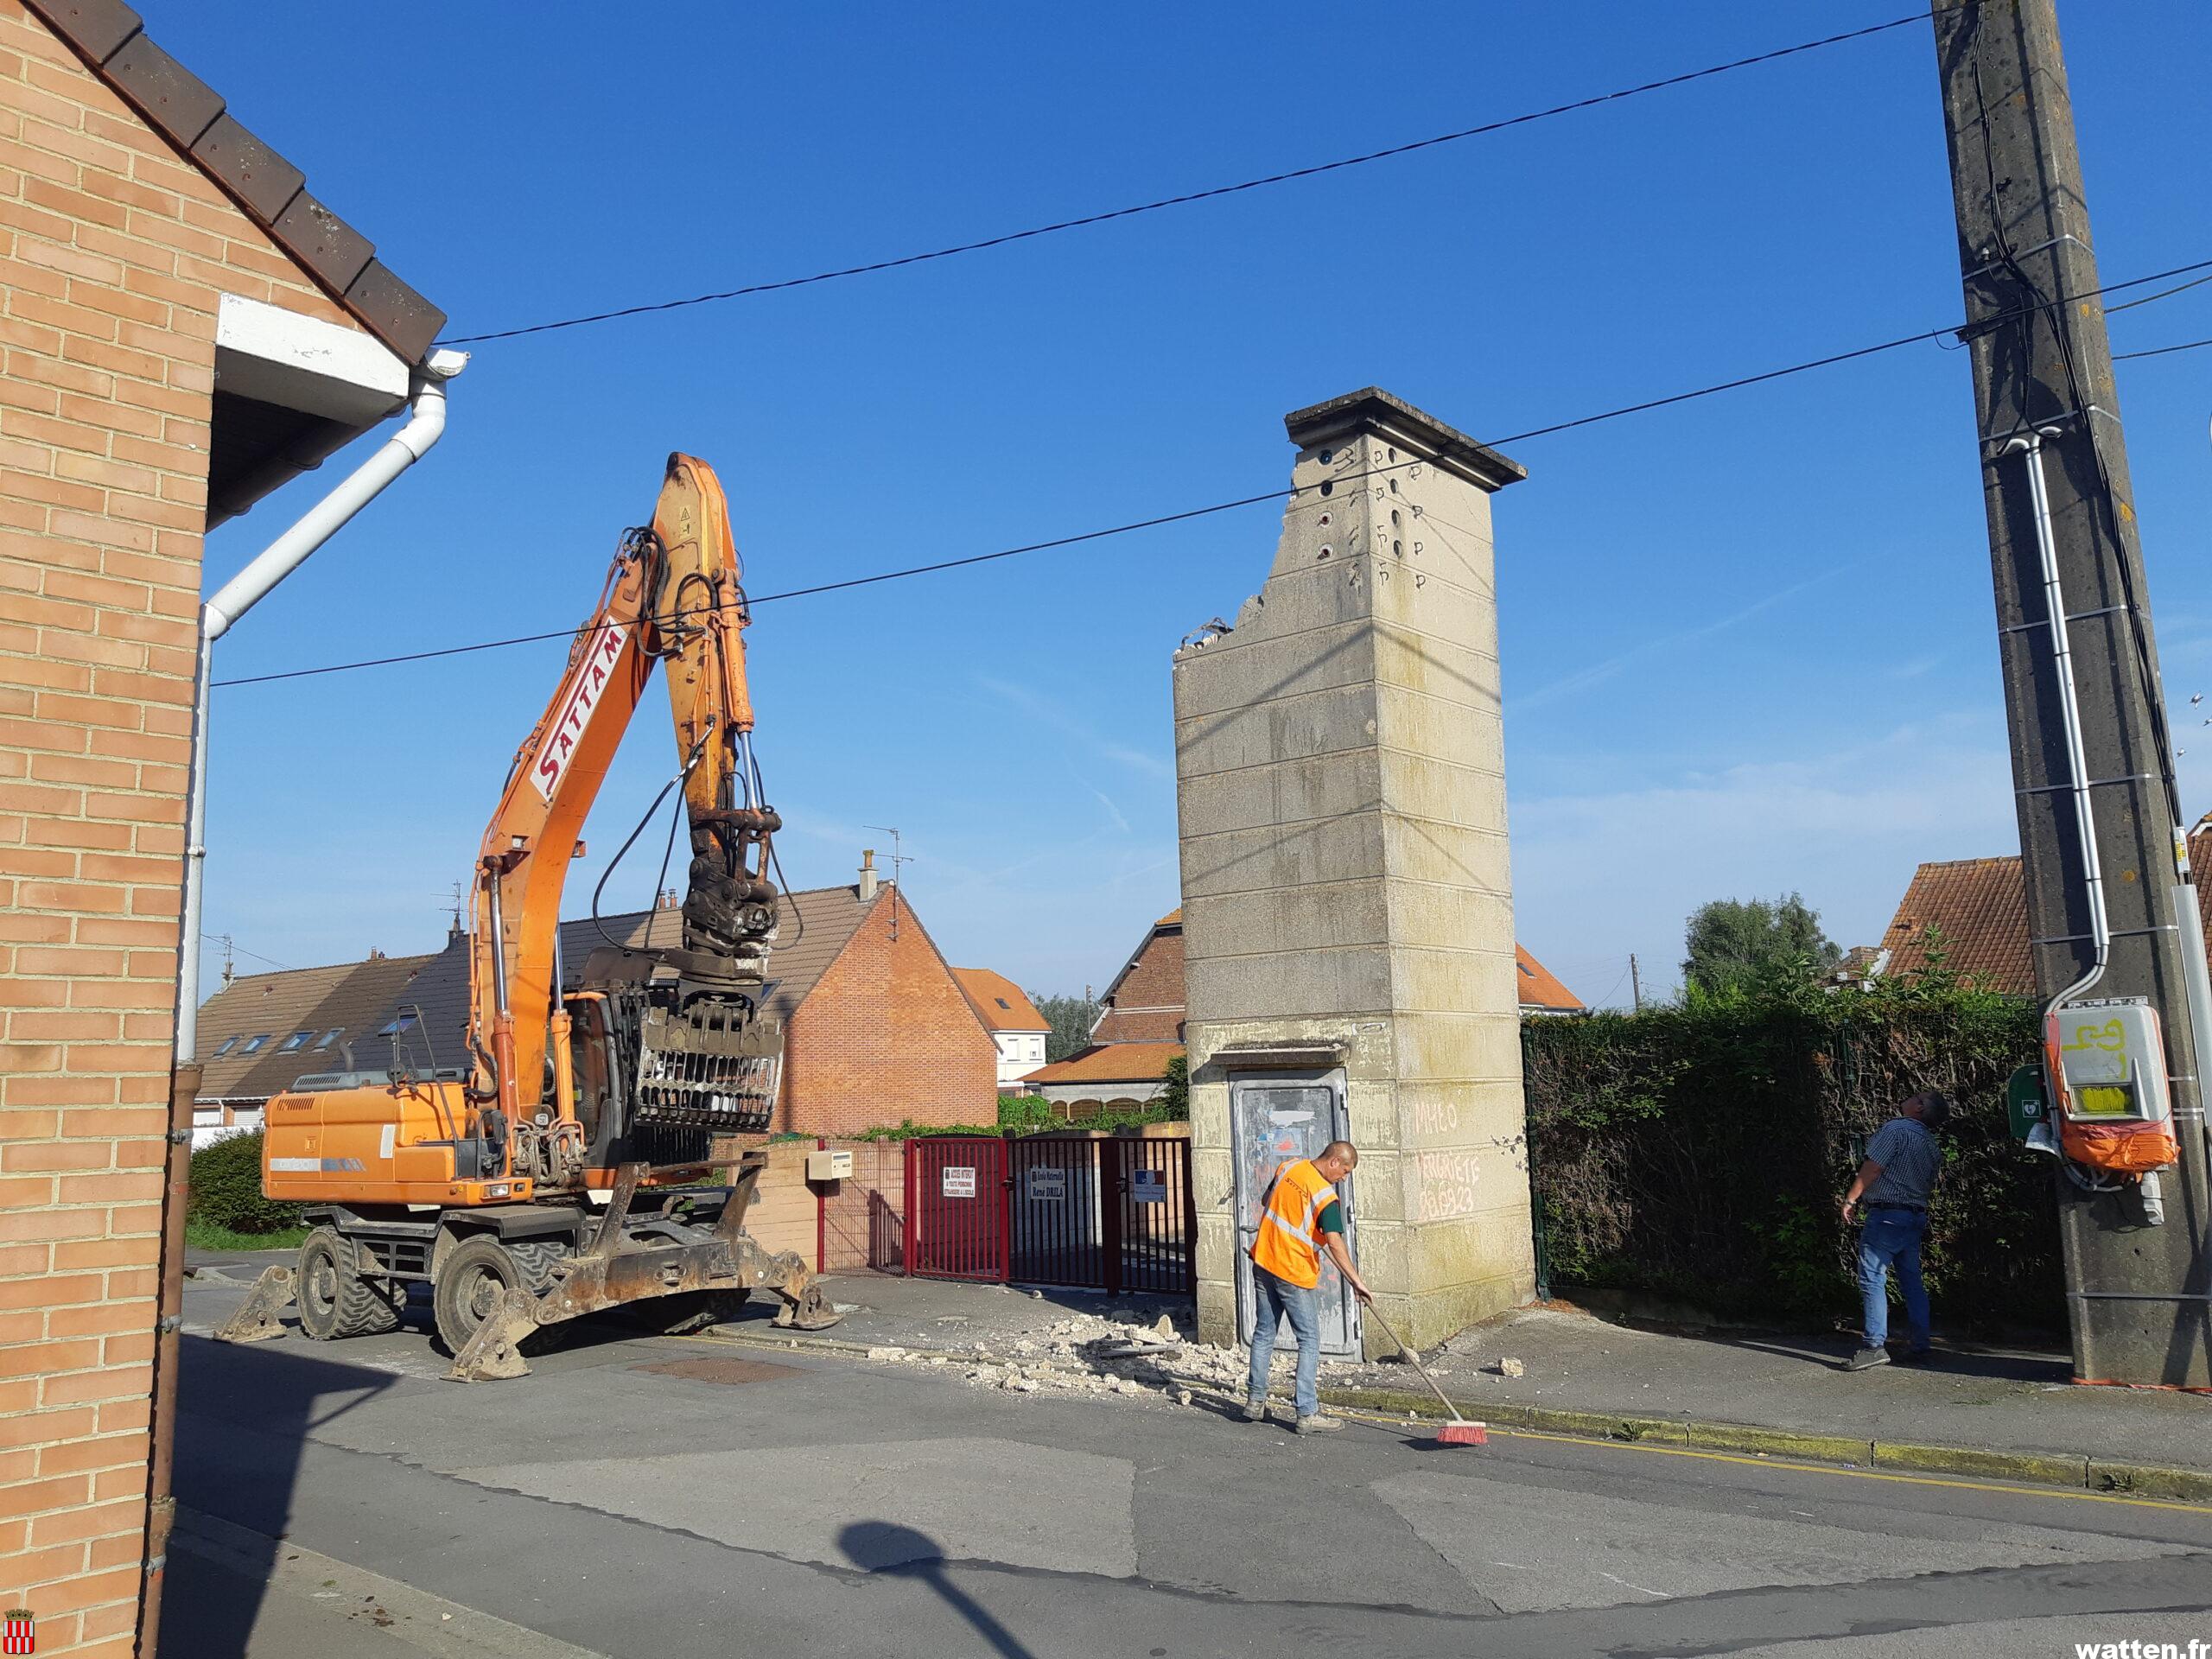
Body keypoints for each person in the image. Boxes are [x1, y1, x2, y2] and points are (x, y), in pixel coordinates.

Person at [1244, 1139, 1370, 1432]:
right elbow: (1336, 1243)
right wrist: (1357, 1281)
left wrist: (1305, 1228)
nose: (1345, 1178)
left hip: (1264, 1261)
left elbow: (1267, 1202)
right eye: (1346, 1171)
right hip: (1292, 1271)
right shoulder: (1325, 1197)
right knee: (1309, 1340)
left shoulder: (1289, 1166)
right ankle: (1306, 1413)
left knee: (1264, 1332)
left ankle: (1255, 1401)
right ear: (1334, 1162)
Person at [1838, 1090, 1950, 1371]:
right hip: (1914, 1216)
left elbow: (1873, 1168)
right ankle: (1920, 1344)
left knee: (1872, 1277)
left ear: (1920, 1107)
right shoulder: (1931, 1144)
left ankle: (1874, 1346)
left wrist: (1851, 1198)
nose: (1909, 1098)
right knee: (1912, 1282)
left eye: (1916, 1096)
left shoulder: (1896, 1129)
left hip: (1887, 1215)